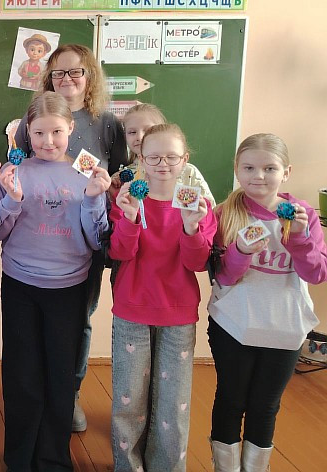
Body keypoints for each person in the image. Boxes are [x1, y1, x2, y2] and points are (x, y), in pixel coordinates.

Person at [0, 92, 110, 471]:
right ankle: (20, 458)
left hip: (69, 289)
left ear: (71, 128)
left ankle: (54, 459)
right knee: (22, 374)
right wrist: (11, 199)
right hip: (20, 286)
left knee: (60, 376)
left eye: (56, 131)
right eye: (39, 133)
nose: (48, 141)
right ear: (27, 132)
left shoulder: (86, 171)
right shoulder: (15, 171)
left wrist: (94, 199)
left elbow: (97, 240)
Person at [14, 43, 128, 431]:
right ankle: (40, 395)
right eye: (58, 72)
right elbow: (20, 168)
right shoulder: (33, 119)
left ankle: (70, 394)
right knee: (36, 327)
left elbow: (124, 174)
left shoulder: (107, 123)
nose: (67, 79)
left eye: (75, 71)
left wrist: (108, 186)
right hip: (40, 242)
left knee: (80, 318)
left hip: (88, 236)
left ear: (89, 75)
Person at [207, 133, 327, 471]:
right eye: (249, 168)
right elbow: (223, 277)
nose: (258, 176)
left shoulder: (303, 214)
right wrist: (241, 251)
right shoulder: (225, 213)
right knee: (230, 400)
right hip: (234, 324)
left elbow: (316, 273)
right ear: (237, 169)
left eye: (269, 168)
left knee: (265, 406)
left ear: (286, 172)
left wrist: (300, 239)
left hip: (285, 328)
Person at [108, 123, 216, 472]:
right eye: (153, 157)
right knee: (128, 400)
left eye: (171, 157)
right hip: (132, 310)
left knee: (174, 404)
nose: (163, 164)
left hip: (178, 313)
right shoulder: (129, 199)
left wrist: (190, 227)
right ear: (140, 158)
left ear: (185, 160)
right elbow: (120, 253)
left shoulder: (198, 205)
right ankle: (127, 466)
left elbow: (197, 262)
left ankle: (167, 467)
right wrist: (129, 218)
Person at [108, 103, 214, 207]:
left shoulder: (187, 172)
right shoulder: (122, 178)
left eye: (148, 130)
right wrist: (114, 193)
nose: (139, 137)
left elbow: (208, 210)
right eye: (132, 132)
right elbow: (119, 213)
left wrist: (196, 214)